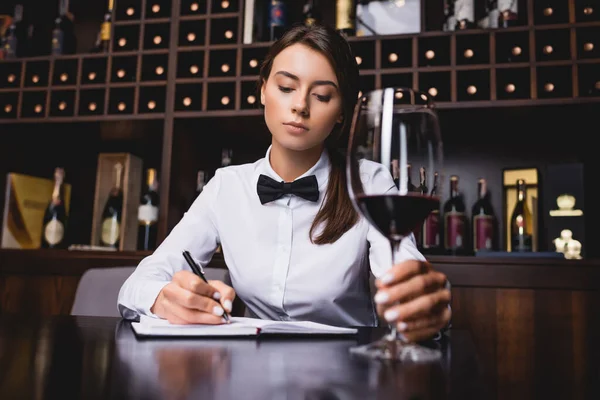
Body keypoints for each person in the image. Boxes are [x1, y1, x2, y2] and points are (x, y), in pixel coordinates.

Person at [118, 23, 451, 342]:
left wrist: (424, 306)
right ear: (263, 89)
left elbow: (408, 272)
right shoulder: (226, 187)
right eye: (286, 87)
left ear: (341, 112)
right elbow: (136, 286)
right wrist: (165, 298)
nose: (300, 106)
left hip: (349, 370)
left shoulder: (368, 181)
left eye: (321, 96)